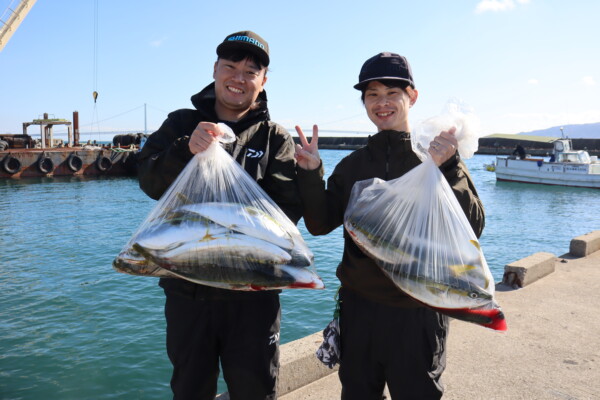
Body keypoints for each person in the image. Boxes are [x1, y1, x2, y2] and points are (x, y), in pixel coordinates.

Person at [294, 52, 485, 399]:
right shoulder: (352, 166)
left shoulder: (434, 158)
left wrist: (451, 166)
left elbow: (472, 226)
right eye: (372, 95)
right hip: (359, 311)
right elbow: (320, 224)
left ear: (412, 96)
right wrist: (310, 173)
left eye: (391, 93)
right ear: (364, 102)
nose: (381, 103)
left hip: (417, 312)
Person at [137, 30, 302, 400]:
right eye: (230, 66)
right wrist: (184, 150)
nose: (238, 78)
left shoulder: (275, 138)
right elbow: (148, 180)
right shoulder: (180, 123)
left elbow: (288, 212)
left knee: (255, 389)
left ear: (263, 81)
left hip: (254, 296)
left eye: (250, 71)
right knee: (190, 389)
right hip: (186, 292)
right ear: (215, 70)